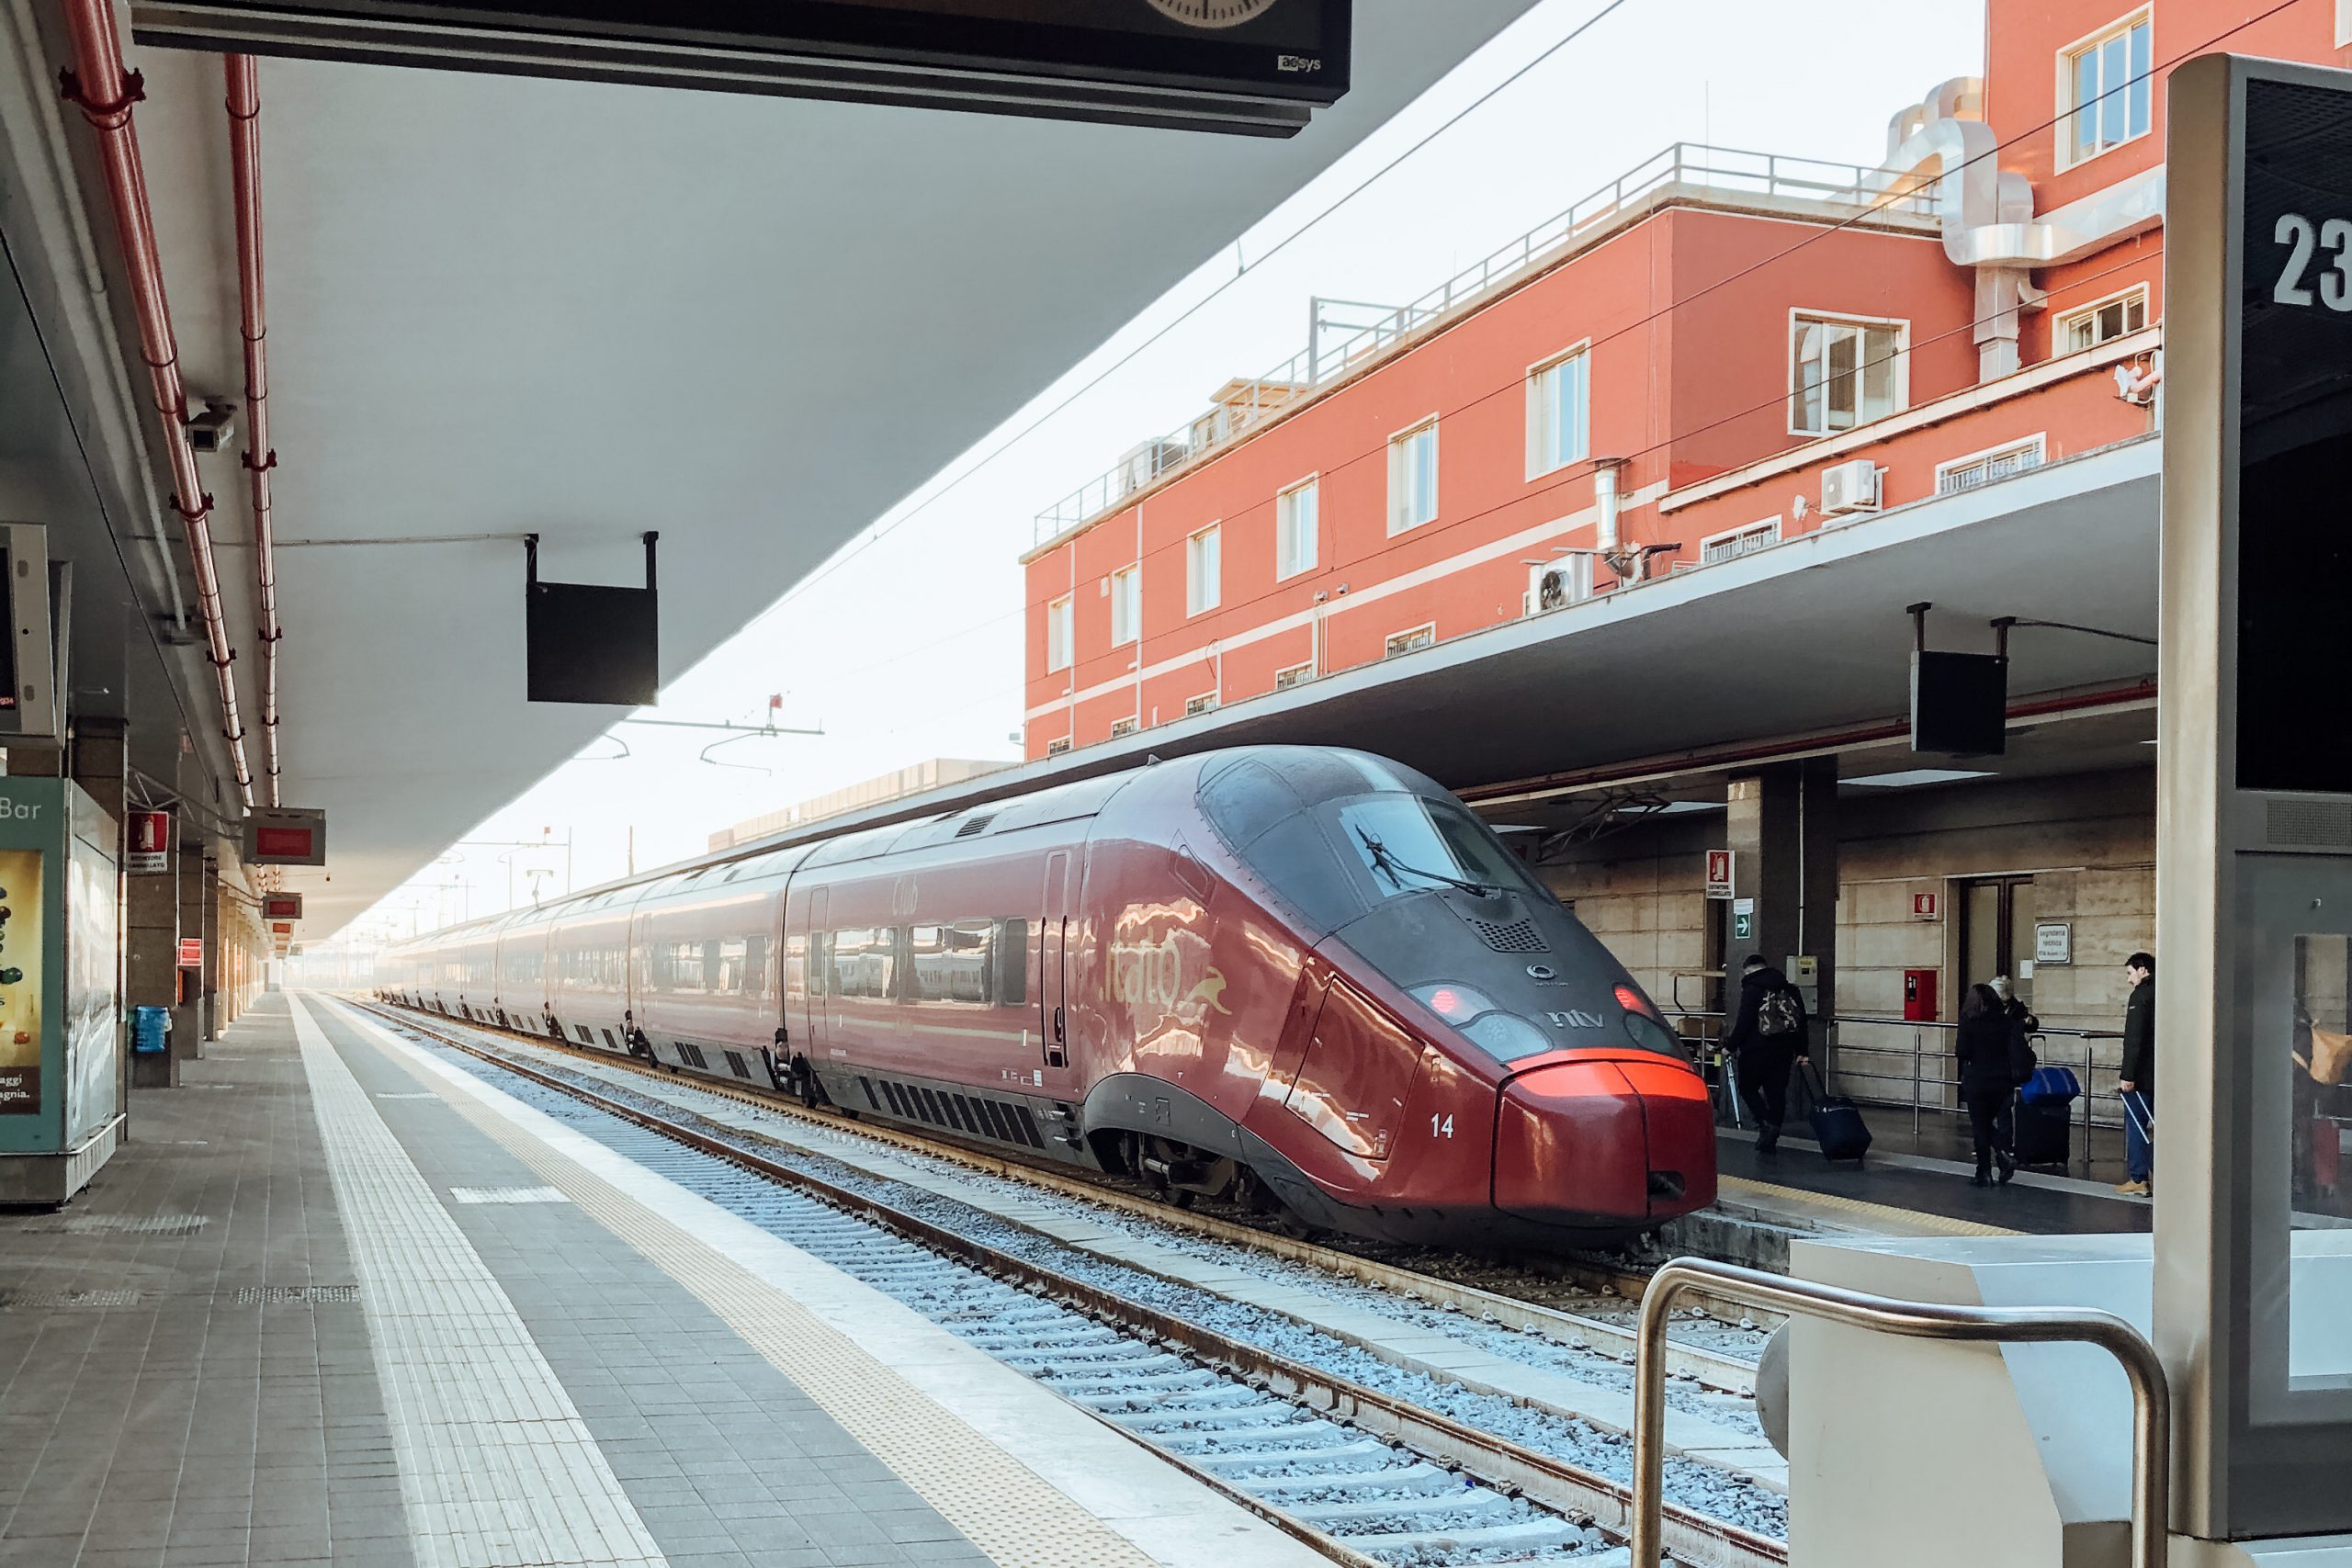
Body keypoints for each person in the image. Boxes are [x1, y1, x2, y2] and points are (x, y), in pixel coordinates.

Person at [1723, 953, 1809, 1154]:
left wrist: (1731, 1046)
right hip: (1784, 1050)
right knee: (1776, 1093)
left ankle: (1765, 1123)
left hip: (1756, 1049)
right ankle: (1773, 1131)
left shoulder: (1753, 988)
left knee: (1747, 1087)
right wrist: (1802, 1051)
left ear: (1750, 970)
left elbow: (1744, 1021)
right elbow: (1801, 1021)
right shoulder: (1790, 988)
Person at [1954, 983, 2018, 1187]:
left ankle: (1985, 1171)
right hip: (2001, 1080)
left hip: (1977, 1079)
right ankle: (2001, 1156)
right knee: (1986, 1124)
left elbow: (1961, 1051)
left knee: (1980, 1126)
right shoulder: (2005, 1021)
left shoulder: (1968, 1021)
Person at [2117, 951, 2155, 1196]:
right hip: (2165, 1074)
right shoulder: (2167, 992)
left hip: (2143, 1077)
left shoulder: (2140, 996)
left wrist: (2127, 1075)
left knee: (2136, 1124)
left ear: (2142, 970)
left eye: (2130, 973)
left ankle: (2139, 1178)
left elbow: (2134, 1040)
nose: (2129, 979)